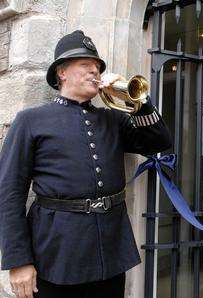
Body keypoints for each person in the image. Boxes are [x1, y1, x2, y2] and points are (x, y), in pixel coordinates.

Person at [0, 30, 172, 298]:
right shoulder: (31, 120)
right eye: (86, 66)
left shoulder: (113, 119)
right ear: (62, 72)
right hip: (57, 252)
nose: (95, 72)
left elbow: (159, 141)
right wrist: (18, 260)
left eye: (97, 68)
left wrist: (135, 100)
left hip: (111, 248)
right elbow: (9, 192)